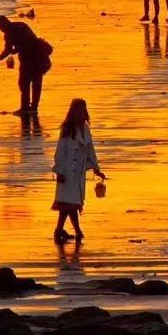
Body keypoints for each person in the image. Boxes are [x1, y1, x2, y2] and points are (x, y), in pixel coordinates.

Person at [52, 99, 105, 244]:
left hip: (78, 173)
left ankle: (59, 230)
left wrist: (96, 169)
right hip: (68, 171)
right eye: (79, 109)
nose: (82, 111)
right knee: (70, 204)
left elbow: (90, 150)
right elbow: (60, 151)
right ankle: (77, 231)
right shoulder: (67, 128)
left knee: (68, 204)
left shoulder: (85, 128)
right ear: (73, 111)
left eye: (84, 109)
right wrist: (60, 171)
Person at [0, 15, 52, 116]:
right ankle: (34, 107)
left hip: (28, 60)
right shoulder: (21, 25)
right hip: (39, 56)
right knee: (36, 83)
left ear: (3, 24)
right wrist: (16, 49)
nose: (0, 29)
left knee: (24, 83)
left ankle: (25, 107)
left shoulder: (9, 33)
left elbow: (7, 51)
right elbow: (29, 41)